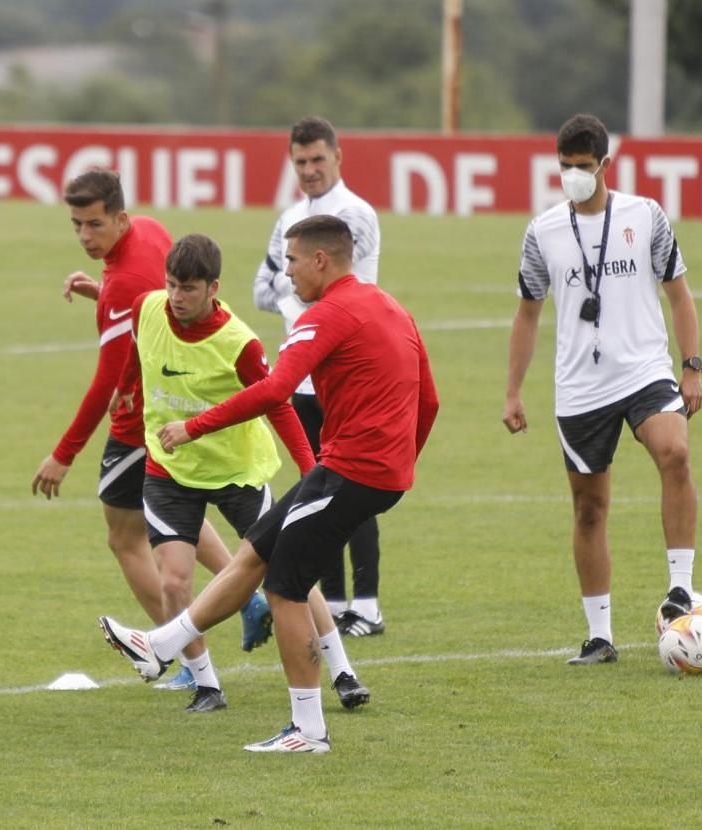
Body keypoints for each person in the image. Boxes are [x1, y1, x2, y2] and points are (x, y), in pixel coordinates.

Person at [102, 215, 439, 753]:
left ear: (321, 260)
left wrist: (192, 426)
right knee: (256, 553)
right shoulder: (393, 306)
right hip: (370, 471)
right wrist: (402, 465)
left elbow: (276, 389)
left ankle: (307, 730)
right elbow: (431, 400)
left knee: (285, 583)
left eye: (292, 261)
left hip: (349, 468)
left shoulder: (324, 315)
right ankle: (159, 644)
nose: (287, 273)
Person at [30, 168, 270, 695]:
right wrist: (103, 296)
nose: (84, 237)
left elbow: (106, 383)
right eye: (76, 225)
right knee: (168, 522)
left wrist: (63, 454)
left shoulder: (123, 285)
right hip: (171, 412)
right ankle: (246, 596)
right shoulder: (149, 231)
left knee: (125, 537)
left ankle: (185, 656)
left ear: (118, 217)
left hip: (146, 424)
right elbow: (149, 303)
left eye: (94, 225)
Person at [502, 113, 702, 666]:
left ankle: (680, 591)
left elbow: (679, 295)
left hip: (643, 370)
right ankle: (599, 635)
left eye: (583, 168)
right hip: (579, 386)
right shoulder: (542, 231)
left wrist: (691, 366)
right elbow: (527, 313)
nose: (573, 177)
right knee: (590, 507)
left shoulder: (646, 216)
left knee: (677, 454)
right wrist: (513, 392)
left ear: (605, 165)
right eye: (564, 168)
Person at [110, 232, 317, 713]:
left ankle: (342, 668)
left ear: (213, 288)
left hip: (237, 470)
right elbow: (137, 355)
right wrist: (124, 389)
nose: (176, 298)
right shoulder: (148, 308)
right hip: (171, 466)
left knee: (286, 570)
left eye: (188, 288)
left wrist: (311, 471)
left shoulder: (239, 342)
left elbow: (277, 405)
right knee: (174, 581)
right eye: (171, 286)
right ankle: (205, 684)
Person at [253, 116, 387, 637]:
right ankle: (333, 600)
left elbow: (339, 285)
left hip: (345, 369)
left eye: (317, 160)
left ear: (337, 157)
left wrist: (294, 294)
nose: (309, 171)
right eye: (300, 162)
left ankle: (368, 603)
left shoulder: (356, 214)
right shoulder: (290, 216)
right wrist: (296, 291)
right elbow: (260, 288)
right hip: (301, 371)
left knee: (353, 483)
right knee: (316, 484)